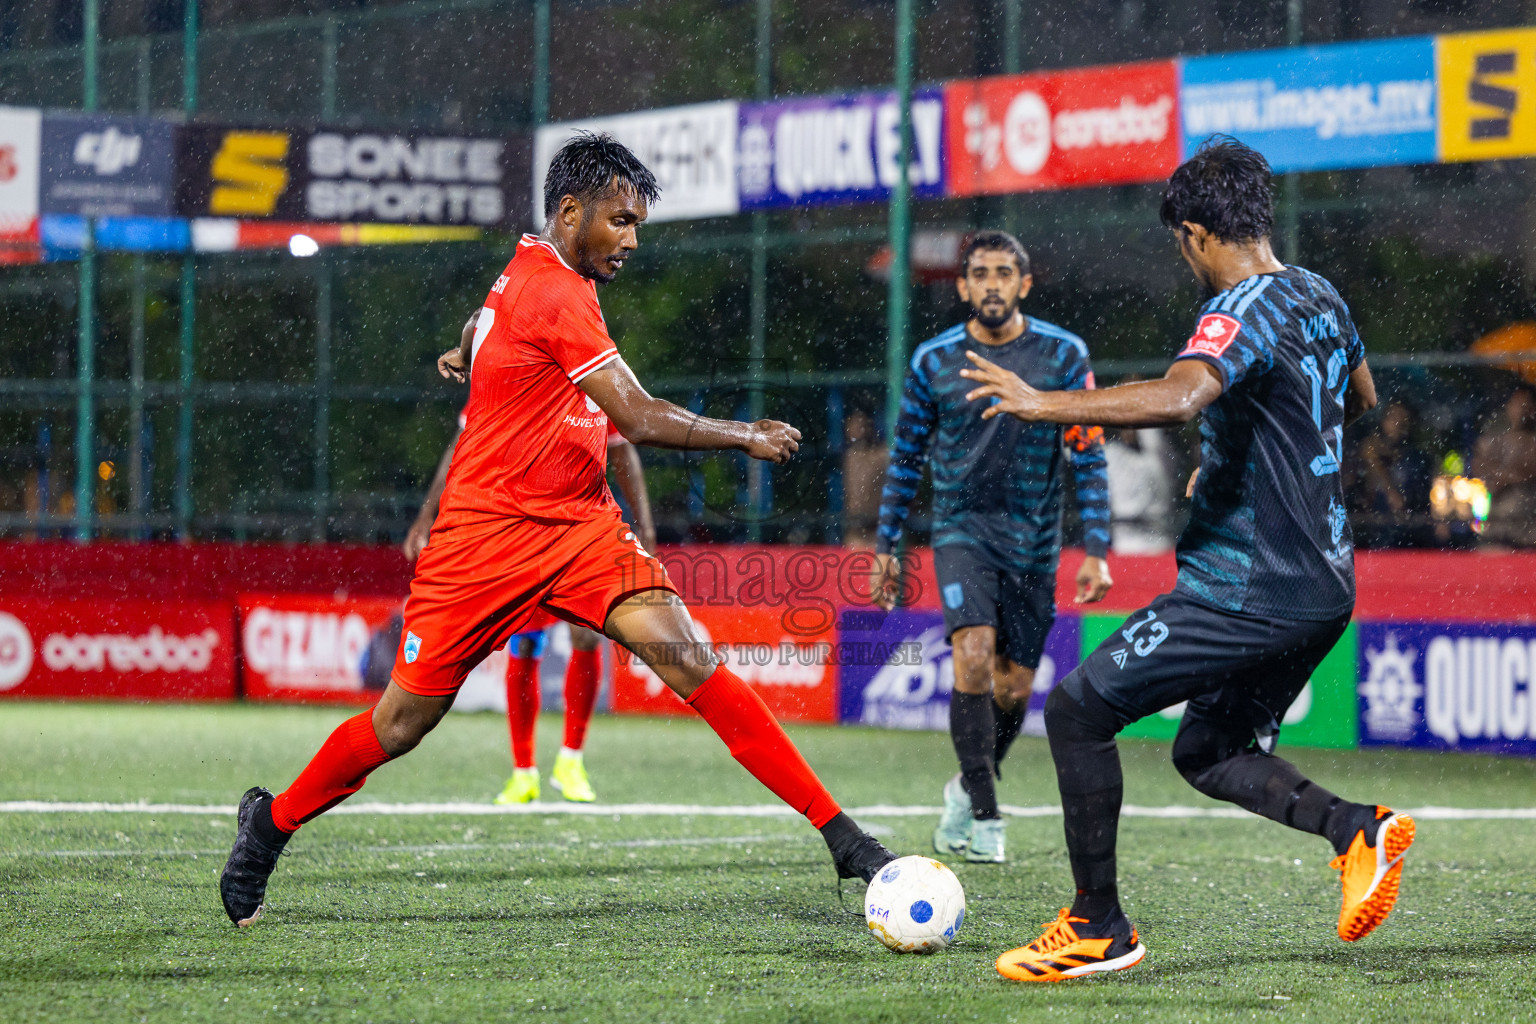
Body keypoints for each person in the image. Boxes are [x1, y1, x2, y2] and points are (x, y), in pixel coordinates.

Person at [219, 132, 893, 928]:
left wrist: (464, 346)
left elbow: (487, 316)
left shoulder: (541, 267)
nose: (633, 240)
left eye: (638, 224)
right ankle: (270, 825)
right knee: (401, 724)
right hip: (482, 541)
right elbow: (636, 417)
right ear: (570, 212)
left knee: (694, 665)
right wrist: (742, 434)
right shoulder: (557, 292)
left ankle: (844, 840)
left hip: (580, 527)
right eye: (621, 221)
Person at [961, 138, 1409, 982]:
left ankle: (1100, 927)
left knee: (1078, 712)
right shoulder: (1320, 294)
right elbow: (1360, 398)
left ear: (1197, 233)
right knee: (1208, 748)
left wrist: (1042, 402)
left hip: (1250, 587)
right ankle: (1357, 830)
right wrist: (1242, 449)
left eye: (1182, 244)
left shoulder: (1237, 307)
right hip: (1326, 583)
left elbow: (1177, 397)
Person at [870, 230, 1113, 865]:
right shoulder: (933, 361)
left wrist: (1097, 546)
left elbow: (1086, 450)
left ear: (1024, 283)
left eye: (1005, 273)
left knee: (1014, 687)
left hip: (1034, 543)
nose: (992, 284)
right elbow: (904, 458)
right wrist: (887, 544)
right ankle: (986, 814)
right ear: (963, 285)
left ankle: (966, 785)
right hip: (961, 532)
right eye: (980, 273)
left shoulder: (1064, 355)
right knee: (972, 657)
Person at [402, 339, 658, 805]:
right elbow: (458, 448)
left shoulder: (597, 375)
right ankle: (524, 771)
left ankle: (571, 760)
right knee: (524, 641)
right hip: (518, 532)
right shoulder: (508, 373)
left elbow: (624, 454)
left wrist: (647, 528)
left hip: (581, 528)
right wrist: (426, 516)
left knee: (588, 635)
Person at [1353, 399, 1433, 548]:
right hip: (1373, 533)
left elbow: (1418, 502)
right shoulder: (1368, 453)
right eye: (1393, 418)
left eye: (1403, 420)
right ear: (1383, 421)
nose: (1398, 424)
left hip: (1411, 535)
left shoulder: (1415, 459)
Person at [1473, 386, 1536, 548]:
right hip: (1498, 529)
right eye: (1517, 405)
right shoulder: (1494, 441)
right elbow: (1478, 466)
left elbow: (1525, 470)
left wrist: (1503, 474)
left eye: (1526, 406)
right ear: (1509, 407)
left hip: (1528, 530)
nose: (1522, 410)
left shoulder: (1530, 442)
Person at [1103, 426, 1177, 554]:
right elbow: (1078, 449)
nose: (1130, 431)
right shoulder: (1113, 454)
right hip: (1124, 542)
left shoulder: (1159, 457)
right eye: (1127, 426)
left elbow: (1152, 433)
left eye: (1135, 426)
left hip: (1158, 542)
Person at [840, 408, 888, 548]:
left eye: (861, 425)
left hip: (877, 528)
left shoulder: (881, 455)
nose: (857, 430)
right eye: (853, 425)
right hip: (855, 530)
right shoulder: (849, 457)